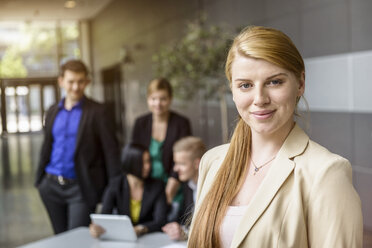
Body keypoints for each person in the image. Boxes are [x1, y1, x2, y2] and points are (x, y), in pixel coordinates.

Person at [188, 26, 363, 248]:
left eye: (274, 82)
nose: (259, 98)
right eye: (245, 85)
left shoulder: (325, 173)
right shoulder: (212, 162)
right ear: (232, 90)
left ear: (300, 84)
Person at [35, 59, 121, 234]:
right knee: (59, 237)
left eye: (81, 81)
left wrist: (112, 191)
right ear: (61, 81)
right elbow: (48, 145)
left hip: (81, 188)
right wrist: (40, 181)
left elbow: (111, 153)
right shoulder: (52, 110)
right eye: (71, 81)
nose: (76, 87)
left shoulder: (99, 112)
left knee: (77, 239)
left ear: (87, 82)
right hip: (50, 186)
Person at [131, 78, 192, 207]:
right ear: (148, 99)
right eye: (153, 99)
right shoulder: (140, 123)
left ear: (170, 99)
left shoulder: (181, 123)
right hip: (147, 186)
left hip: (175, 184)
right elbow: (135, 157)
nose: (158, 103)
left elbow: (184, 157)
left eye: (163, 99)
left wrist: (170, 191)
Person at [89, 143, 167, 237]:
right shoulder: (115, 184)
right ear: (131, 162)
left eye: (148, 161)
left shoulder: (157, 186)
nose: (148, 166)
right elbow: (104, 216)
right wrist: (96, 228)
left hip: (149, 237)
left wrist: (140, 229)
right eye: (143, 162)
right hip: (122, 238)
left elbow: (161, 221)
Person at [162, 136, 206, 241]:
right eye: (175, 163)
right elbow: (187, 223)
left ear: (197, 163)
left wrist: (186, 233)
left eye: (181, 164)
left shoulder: (213, 188)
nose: (175, 169)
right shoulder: (187, 186)